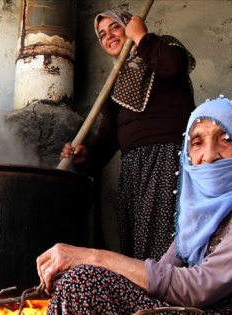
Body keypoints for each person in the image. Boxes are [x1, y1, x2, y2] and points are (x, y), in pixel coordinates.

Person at [38, 96, 232, 314]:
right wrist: (80, 266)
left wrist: (91, 256)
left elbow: (198, 288)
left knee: (84, 280)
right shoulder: (201, 207)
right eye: (197, 143)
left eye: (225, 139)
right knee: (80, 280)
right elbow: (165, 272)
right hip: (212, 304)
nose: (208, 156)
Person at [60, 10, 196, 260]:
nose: (109, 36)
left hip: (169, 160)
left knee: (168, 242)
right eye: (102, 34)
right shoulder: (116, 84)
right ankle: (143, 297)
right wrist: (86, 156)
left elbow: (174, 67)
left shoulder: (163, 46)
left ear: (130, 26)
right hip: (134, 170)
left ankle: (171, 296)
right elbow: (108, 139)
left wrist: (142, 37)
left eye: (115, 27)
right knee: (138, 246)